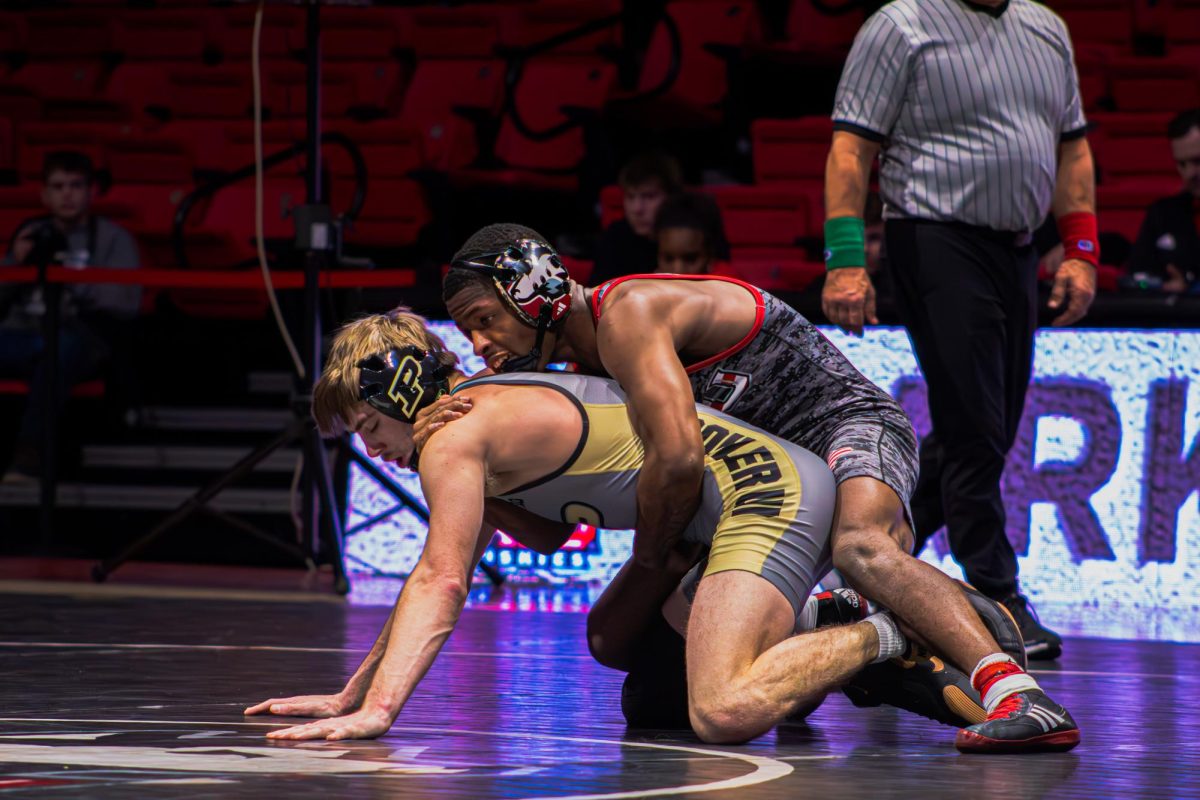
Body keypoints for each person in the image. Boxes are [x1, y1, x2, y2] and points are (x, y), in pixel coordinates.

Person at [426, 223, 1077, 752]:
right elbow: (554, 532)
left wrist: (655, 555)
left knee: (862, 547)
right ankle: (844, 621)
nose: (481, 345)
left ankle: (1018, 694)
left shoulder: (628, 313)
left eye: (485, 320)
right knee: (629, 657)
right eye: (468, 333)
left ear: (532, 291)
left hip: (844, 427)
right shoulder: (564, 370)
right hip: (762, 487)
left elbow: (678, 462)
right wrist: (451, 459)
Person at [246, 309, 958, 745]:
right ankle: (828, 624)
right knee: (648, 690)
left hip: (762, 492)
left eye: (369, 425)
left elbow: (442, 580)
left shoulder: (454, 438)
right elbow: (525, 544)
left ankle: (887, 632)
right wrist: (352, 692)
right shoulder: (476, 418)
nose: (372, 449)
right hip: (733, 508)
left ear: (400, 391)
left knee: (721, 710)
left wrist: (378, 713)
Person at [822, 0, 1100, 662]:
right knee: (975, 429)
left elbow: (1073, 148)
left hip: (1018, 249)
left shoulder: (1045, 27)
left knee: (984, 430)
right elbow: (851, 147)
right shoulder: (901, 25)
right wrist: (845, 258)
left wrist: (1082, 249)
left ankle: (866, 559)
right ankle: (997, 594)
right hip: (935, 238)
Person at [0, 151, 141, 481]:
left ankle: (29, 455)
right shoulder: (30, 233)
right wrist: (14, 264)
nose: (67, 194)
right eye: (58, 186)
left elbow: (125, 303)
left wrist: (71, 275)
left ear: (92, 191)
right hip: (22, 334)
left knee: (58, 352)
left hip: (80, 338)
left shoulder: (115, 240)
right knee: (42, 353)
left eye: (76, 185)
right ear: (44, 194)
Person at [1128, 108, 1200, 293]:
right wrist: (1158, 287)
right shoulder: (1162, 213)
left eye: (1197, 161)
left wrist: (1192, 289)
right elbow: (1139, 277)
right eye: (1182, 164)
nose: (1190, 173)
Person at [592, 151, 682, 283]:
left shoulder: (690, 234)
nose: (637, 209)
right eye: (630, 197)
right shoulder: (615, 237)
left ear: (671, 197)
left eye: (649, 196)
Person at [653, 190, 731, 275]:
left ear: (711, 255)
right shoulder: (648, 284)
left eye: (691, 259)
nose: (678, 270)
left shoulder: (728, 284)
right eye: (668, 259)